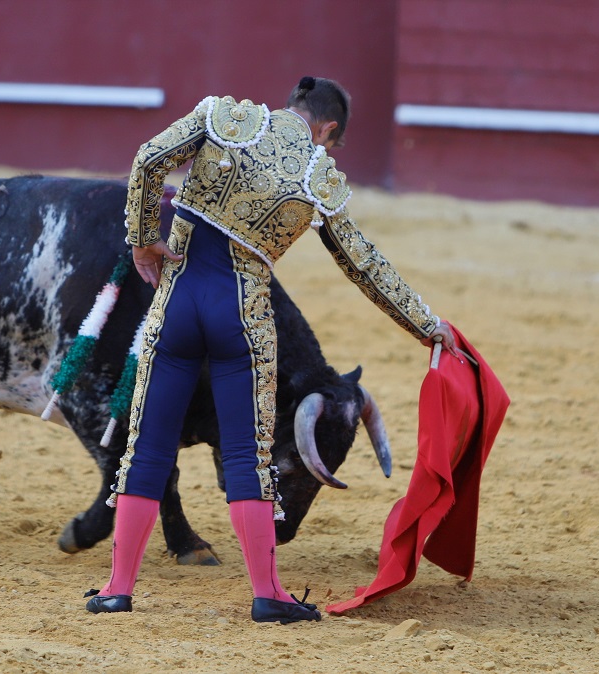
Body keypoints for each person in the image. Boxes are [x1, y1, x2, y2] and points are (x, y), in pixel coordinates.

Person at [84, 76, 456, 624]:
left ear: (293, 106)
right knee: (245, 457)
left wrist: (142, 237)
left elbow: (148, 160)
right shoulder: (317, 174)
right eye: (332, 141)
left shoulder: (223, 117)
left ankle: (117, 588)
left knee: (148, 447)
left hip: (179, 301)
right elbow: (365, 267)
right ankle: (267, 594)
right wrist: (427, 325)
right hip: (241, 316)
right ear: (327, 127)